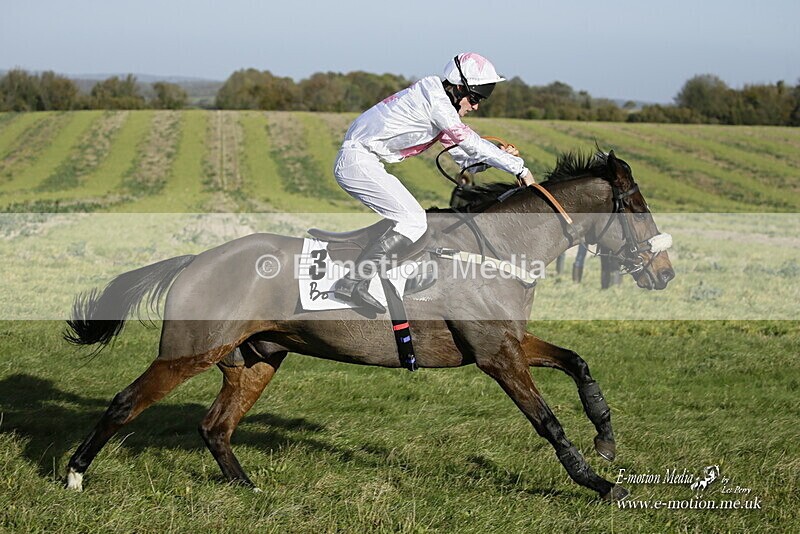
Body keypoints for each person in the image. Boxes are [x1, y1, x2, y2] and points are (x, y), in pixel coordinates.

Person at [332, 52, 536, 313]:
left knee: (414, 219)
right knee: (413, 220)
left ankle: (373, 278)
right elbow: (470, 141)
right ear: (458, 88)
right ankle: (353, 282)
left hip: (365, 161)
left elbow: (466, 159)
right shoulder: (436, 102)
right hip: (358, 161)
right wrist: (519, 169)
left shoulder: (438, 103)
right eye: (474, 98)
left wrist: (502, 158)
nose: (475, 107)